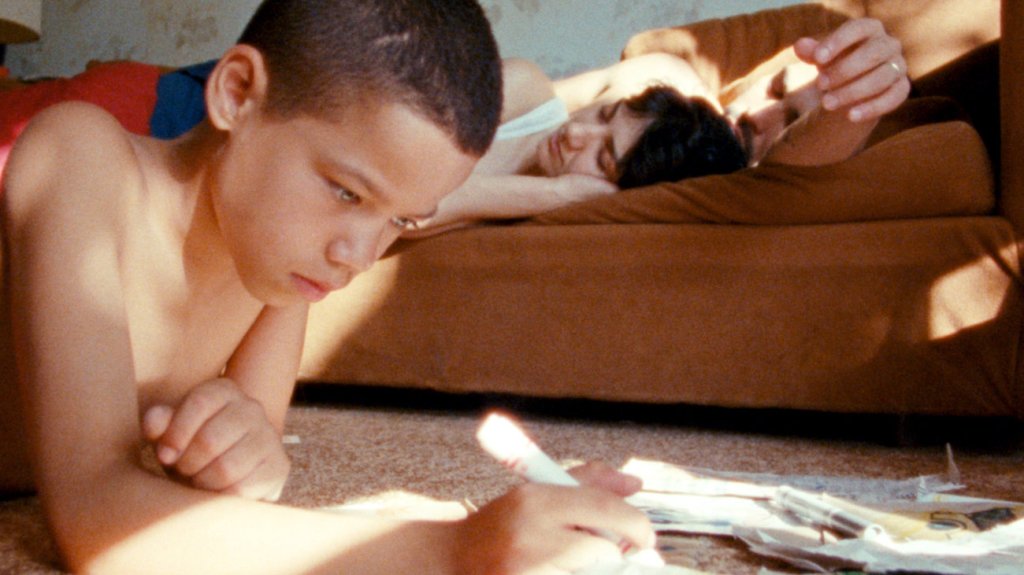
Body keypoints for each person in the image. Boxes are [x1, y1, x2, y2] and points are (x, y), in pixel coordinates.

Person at [0, 1, 656, 573]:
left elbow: (232, 480)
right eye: (345, 191)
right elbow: (97, 520)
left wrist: (242, 461)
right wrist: (456, 550)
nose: (358, 256)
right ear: (235, 92)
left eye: (400, 219)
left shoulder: (278, 270)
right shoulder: (78, 154)